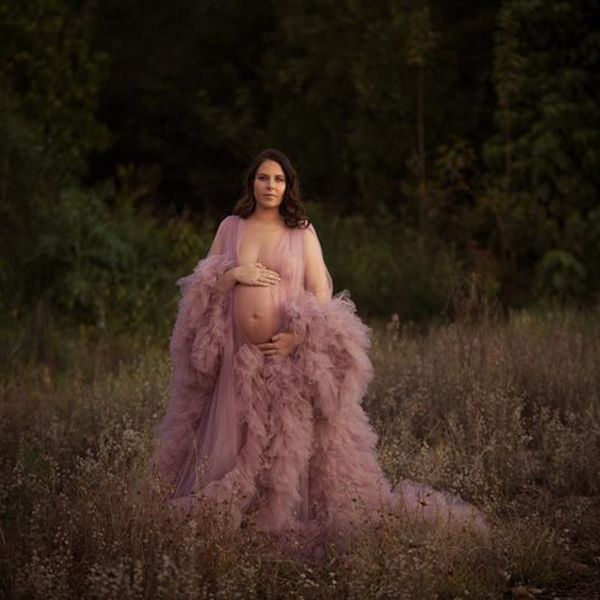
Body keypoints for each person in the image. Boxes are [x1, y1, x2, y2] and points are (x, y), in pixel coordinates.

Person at [151, 148, 488, 558]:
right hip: (238, 357)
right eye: (263, 178)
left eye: (278, 179)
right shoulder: (231, 227)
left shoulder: (301, 230)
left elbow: (321, 292)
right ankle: (235, 515)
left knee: (279, 441)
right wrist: (234, 274)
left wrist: (297, 337)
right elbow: (206, 285)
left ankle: (273, 516)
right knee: (236, 440)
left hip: (284, 354)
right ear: (251, 183)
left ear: (288, 186)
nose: (270, 186)